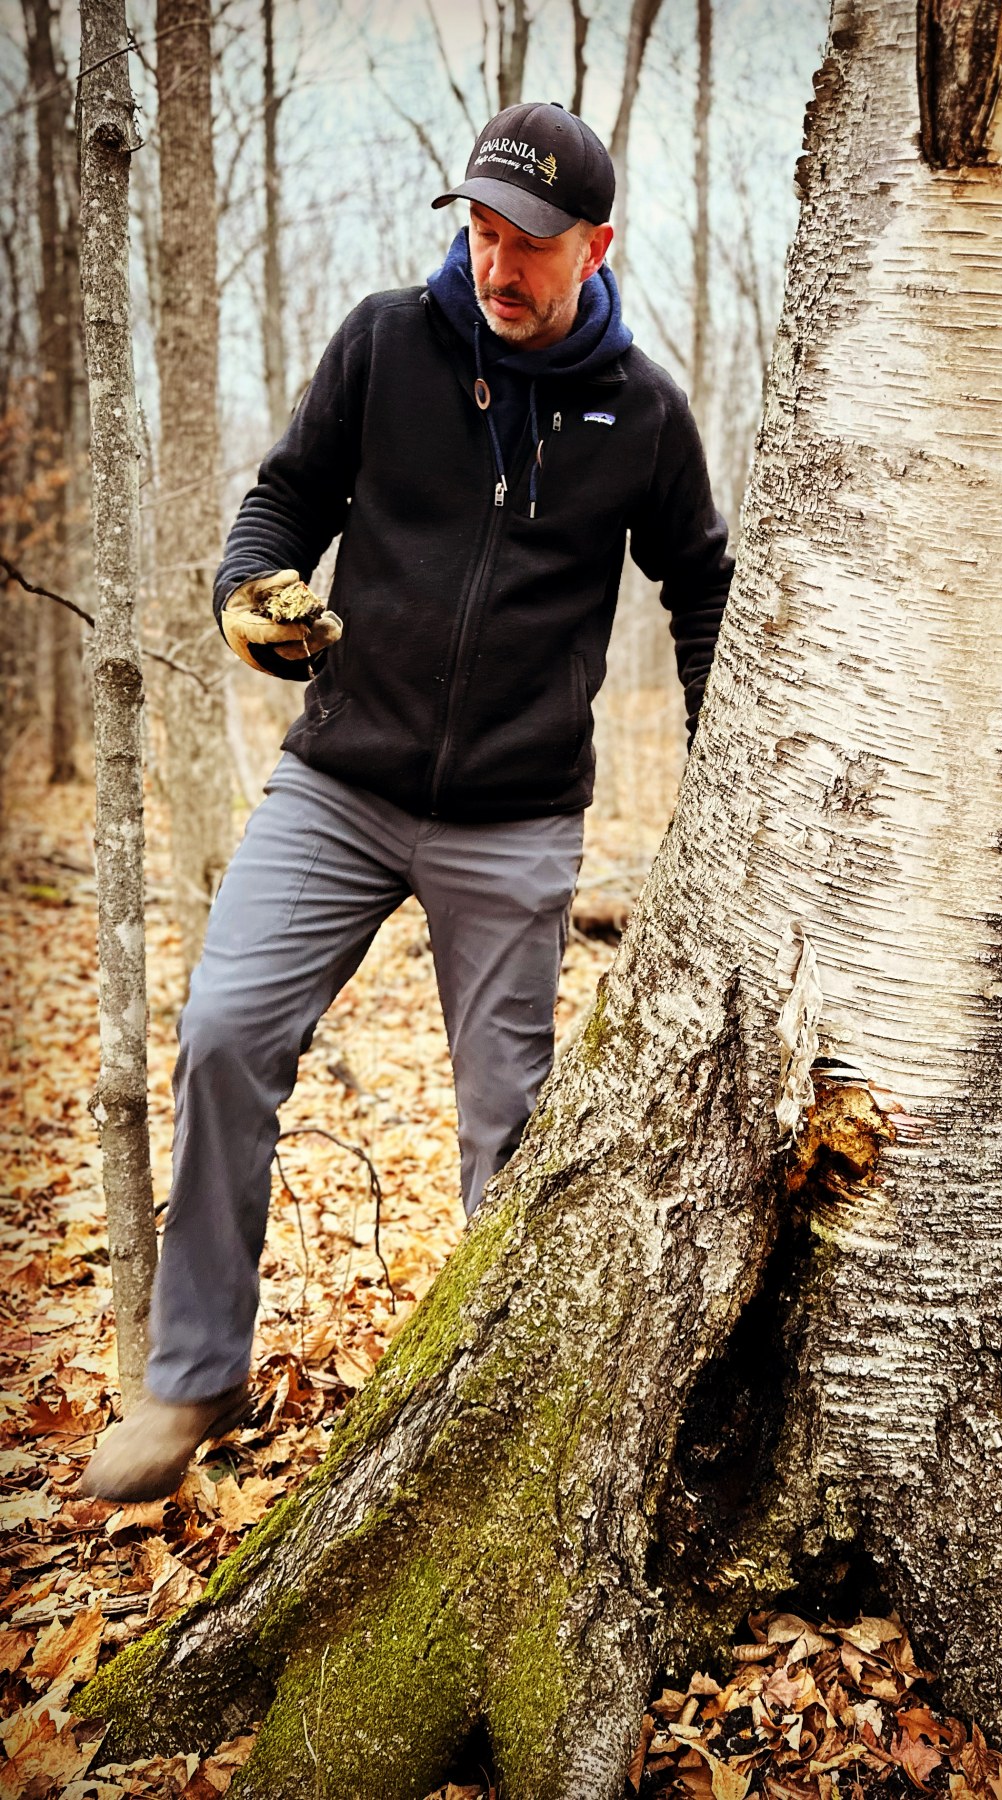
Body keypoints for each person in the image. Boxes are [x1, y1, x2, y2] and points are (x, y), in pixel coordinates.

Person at [81, 101, 732, 1502]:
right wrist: (245, 592)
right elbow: (285, 500)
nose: (499, 265)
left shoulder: (642, 412)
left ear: (597, 246)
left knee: (511, 1123)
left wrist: (725, 774)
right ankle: (192, 1377)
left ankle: (493, 1416)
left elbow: (702, 589)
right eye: (483, 231)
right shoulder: (385, 343)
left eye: (531, 242)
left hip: (517, 817)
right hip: (339, 783)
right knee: (222, 1033)